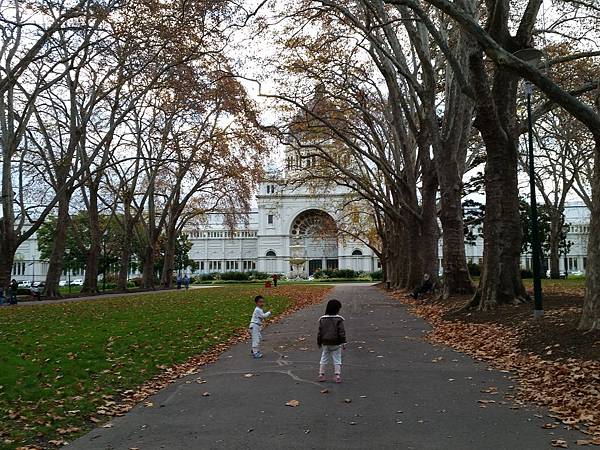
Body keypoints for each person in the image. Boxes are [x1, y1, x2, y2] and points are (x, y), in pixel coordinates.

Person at [317, 299, 346, 383]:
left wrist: (319, 341)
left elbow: (320, 332)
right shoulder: (339, 319)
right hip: (336, 343)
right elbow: (341, 332)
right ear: (337, 309)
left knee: (324, 358)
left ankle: (321, 374)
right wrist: (343, 342)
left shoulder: (322, 319)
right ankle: (337, 375)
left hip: (325, 342)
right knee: (337, 359)